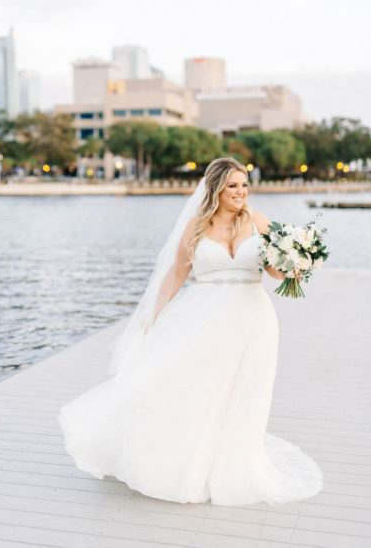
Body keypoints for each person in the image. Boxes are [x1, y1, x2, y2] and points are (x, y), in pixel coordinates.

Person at [59, 157, 322, 506]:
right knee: (198, 388)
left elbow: (275, 272)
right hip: (205, 316)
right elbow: (176, 276)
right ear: (216, 188)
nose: (241, 192)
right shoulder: (196, 226)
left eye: (244, 184)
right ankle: (185, 467)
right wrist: (150, 319)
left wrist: (296, 267)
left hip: (254, 318)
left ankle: (232, 464)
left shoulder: (259, 222)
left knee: (244, 391)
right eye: (233, 186)